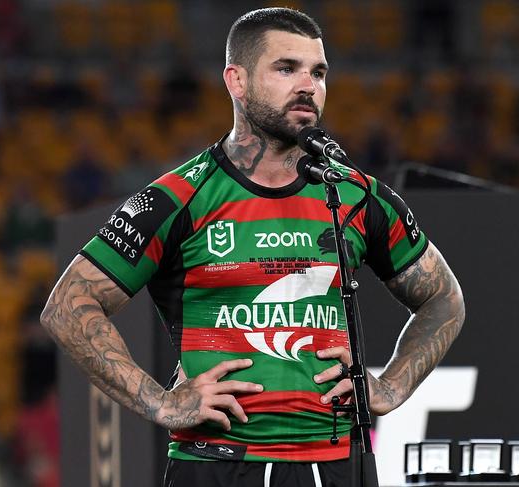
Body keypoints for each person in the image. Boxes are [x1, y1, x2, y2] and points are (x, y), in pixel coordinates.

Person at [40, 8, 465, 487]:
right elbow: (68, 307)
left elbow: (443, 298)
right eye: (286, 68)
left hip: (337, 462)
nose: (308, 84)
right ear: (236, 81)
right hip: (216, 464)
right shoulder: (182, 195)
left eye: (318, 72)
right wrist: (158, 402)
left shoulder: (354, 194)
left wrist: (390, 386)